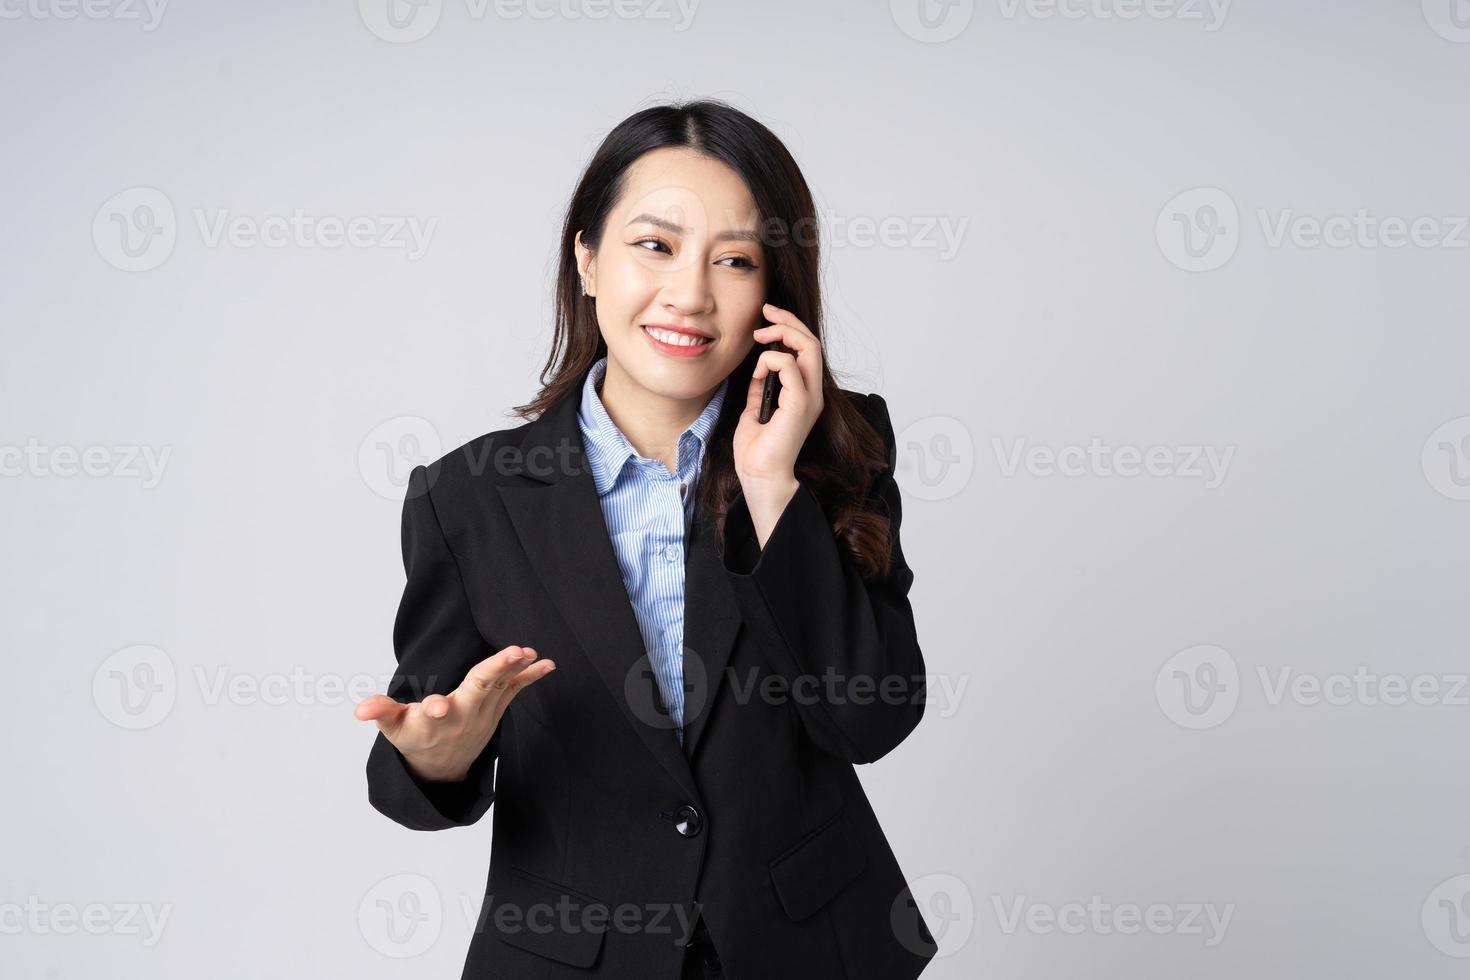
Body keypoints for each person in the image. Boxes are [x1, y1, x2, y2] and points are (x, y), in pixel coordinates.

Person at [354, 98, 938, 980]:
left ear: (772, 294)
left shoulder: (838, 449)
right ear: (587, 259)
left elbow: (870, 719)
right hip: (570, 959)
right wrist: (438, 760)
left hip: (806, 947)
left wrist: (772, 487)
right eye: (655, 245)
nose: (691, 293)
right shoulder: (468, 497)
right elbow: (417, 755)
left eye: (734, 260)